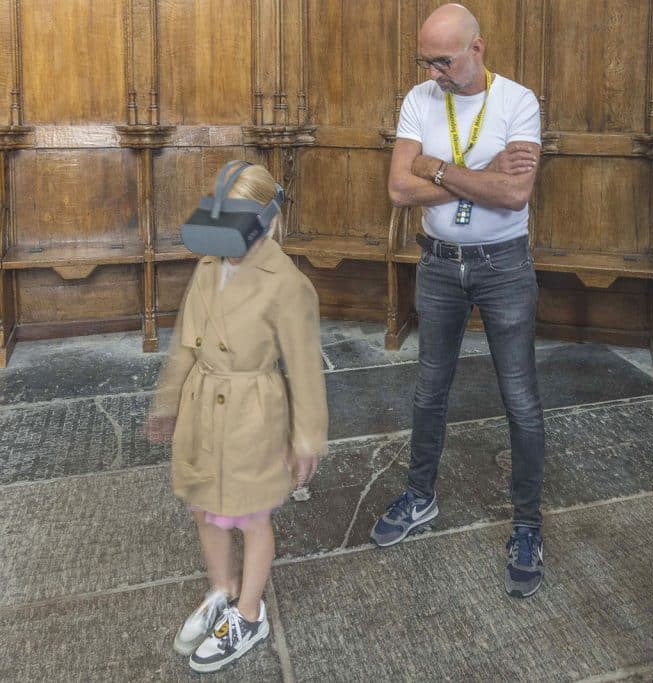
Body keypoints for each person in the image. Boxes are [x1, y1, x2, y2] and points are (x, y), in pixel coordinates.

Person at [369, 3, 547, 598]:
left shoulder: (518, 101)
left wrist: (437, 166)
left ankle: (527, 525)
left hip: (504, 267)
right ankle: (420, 496)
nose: (433, 72)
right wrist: (479, 172)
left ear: (478, 49)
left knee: (519, 398)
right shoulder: (420, 98)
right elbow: (398, 188)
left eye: (443, 61)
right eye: (427, 61)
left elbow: (515, 194)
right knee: (428, 388)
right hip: (439, 264)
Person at [147, 161, 328, 673]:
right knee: (205, 507)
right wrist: (169, 402)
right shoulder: (207, 268)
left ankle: (250, 614)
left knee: (250, 515)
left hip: (252, 410)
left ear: (268, 222)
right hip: (204, 409)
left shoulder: (287, 284)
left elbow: (306, 367)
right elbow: (186, 343)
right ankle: (223, 591)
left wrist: (307, 436)